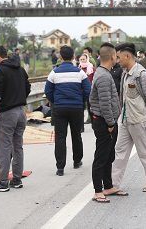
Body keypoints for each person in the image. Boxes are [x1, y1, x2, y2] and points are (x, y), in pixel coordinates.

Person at [112, 43, 146, 193]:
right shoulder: (125, 73)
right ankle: (114, 184)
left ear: (127, 56)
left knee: (145, 152)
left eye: (119, 57)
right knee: (119, 152)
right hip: (125, 120)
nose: (117, 60)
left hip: (139, 120)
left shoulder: (141, 75)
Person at [0, 46, 31, 192]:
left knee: (4, 148)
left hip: (7, 114)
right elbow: (28, 87)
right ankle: (17, 180)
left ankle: (3, 183)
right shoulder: (20, 69)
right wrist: (19, 97)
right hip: (21, 112)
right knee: (17, 146)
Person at [44, 46, 91, 176]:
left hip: (59, 109)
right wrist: (80, 101)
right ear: (73, 57)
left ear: (61, 57)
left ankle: (60, 168)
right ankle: (77, 161)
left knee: (60, 137)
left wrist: (56, 101)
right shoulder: (79, 72)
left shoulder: (54, 72)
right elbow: (88, 90)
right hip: (76, 108)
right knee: (76, 135)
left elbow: (48, 91)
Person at [89, 43, 121, 203]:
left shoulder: (104, 73)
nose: (117, 58)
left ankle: (108, 186)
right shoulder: (103, 76)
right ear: (112, 56)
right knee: (101, 156)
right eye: (116, 55)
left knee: (109, 155)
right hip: (104, 122)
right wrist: (110, 123)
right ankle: (97, 190)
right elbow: (104, 103)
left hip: (109, 121)